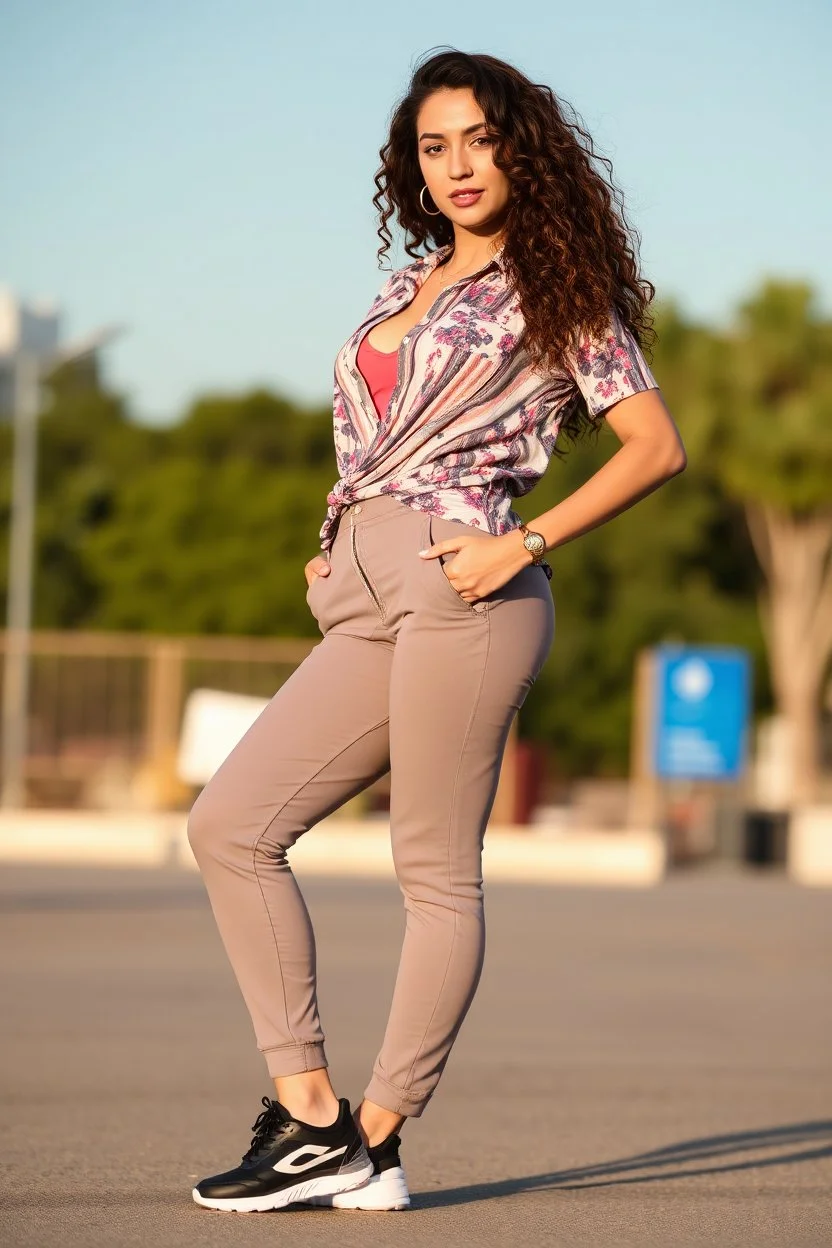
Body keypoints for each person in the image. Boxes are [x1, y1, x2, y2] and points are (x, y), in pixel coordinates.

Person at [187, 47, 686, 1214]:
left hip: (470, 588)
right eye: (432, 145)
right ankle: (311, 1119)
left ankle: (376, 1129)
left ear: (522, 148)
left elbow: (656, 447)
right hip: (367, 594)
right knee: (230, 825)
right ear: (410, 165)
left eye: (477, 139)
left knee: (432, 872)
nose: (457, 164)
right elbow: (375, 441)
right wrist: (333, 537)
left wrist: (527, 542)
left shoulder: (561, 292)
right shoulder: (396, 288)